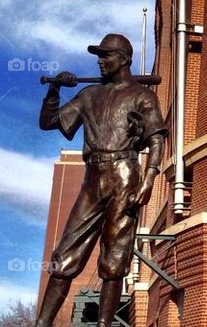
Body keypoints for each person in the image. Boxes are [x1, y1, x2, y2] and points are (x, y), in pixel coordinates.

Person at [34, 33, 167, 327]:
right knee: (64, 255)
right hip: (93, 177)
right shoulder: (89, 94)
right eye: (99, 55)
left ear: (124, 59)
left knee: (115, 256)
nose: (100, 60)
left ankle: (104, 325)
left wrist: (148, 180)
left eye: (106, 55)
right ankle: (42, 323)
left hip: (125, 175)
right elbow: (48, 123)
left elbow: (157, 139)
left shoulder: (142, 95)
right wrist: (54, 89)